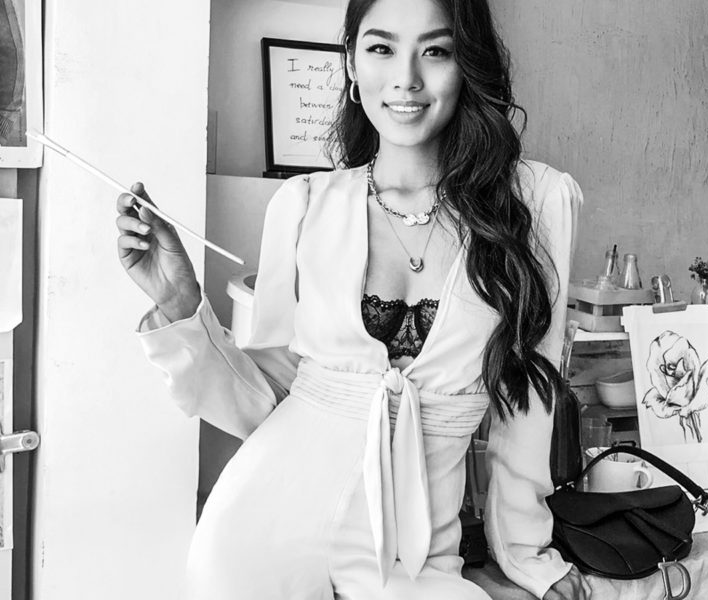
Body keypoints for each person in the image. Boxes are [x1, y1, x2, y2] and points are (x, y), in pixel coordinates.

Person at [116, 0, 591, 598]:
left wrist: (526, 557)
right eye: (381, 48)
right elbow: (264, 400)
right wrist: (181, 304)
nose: (406, 79)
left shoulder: (535, 204)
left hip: (414, 560)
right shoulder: (304, 205)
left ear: (467, 62)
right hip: (265, 533)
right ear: (350, 62)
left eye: (435, 50)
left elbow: (529, 403)